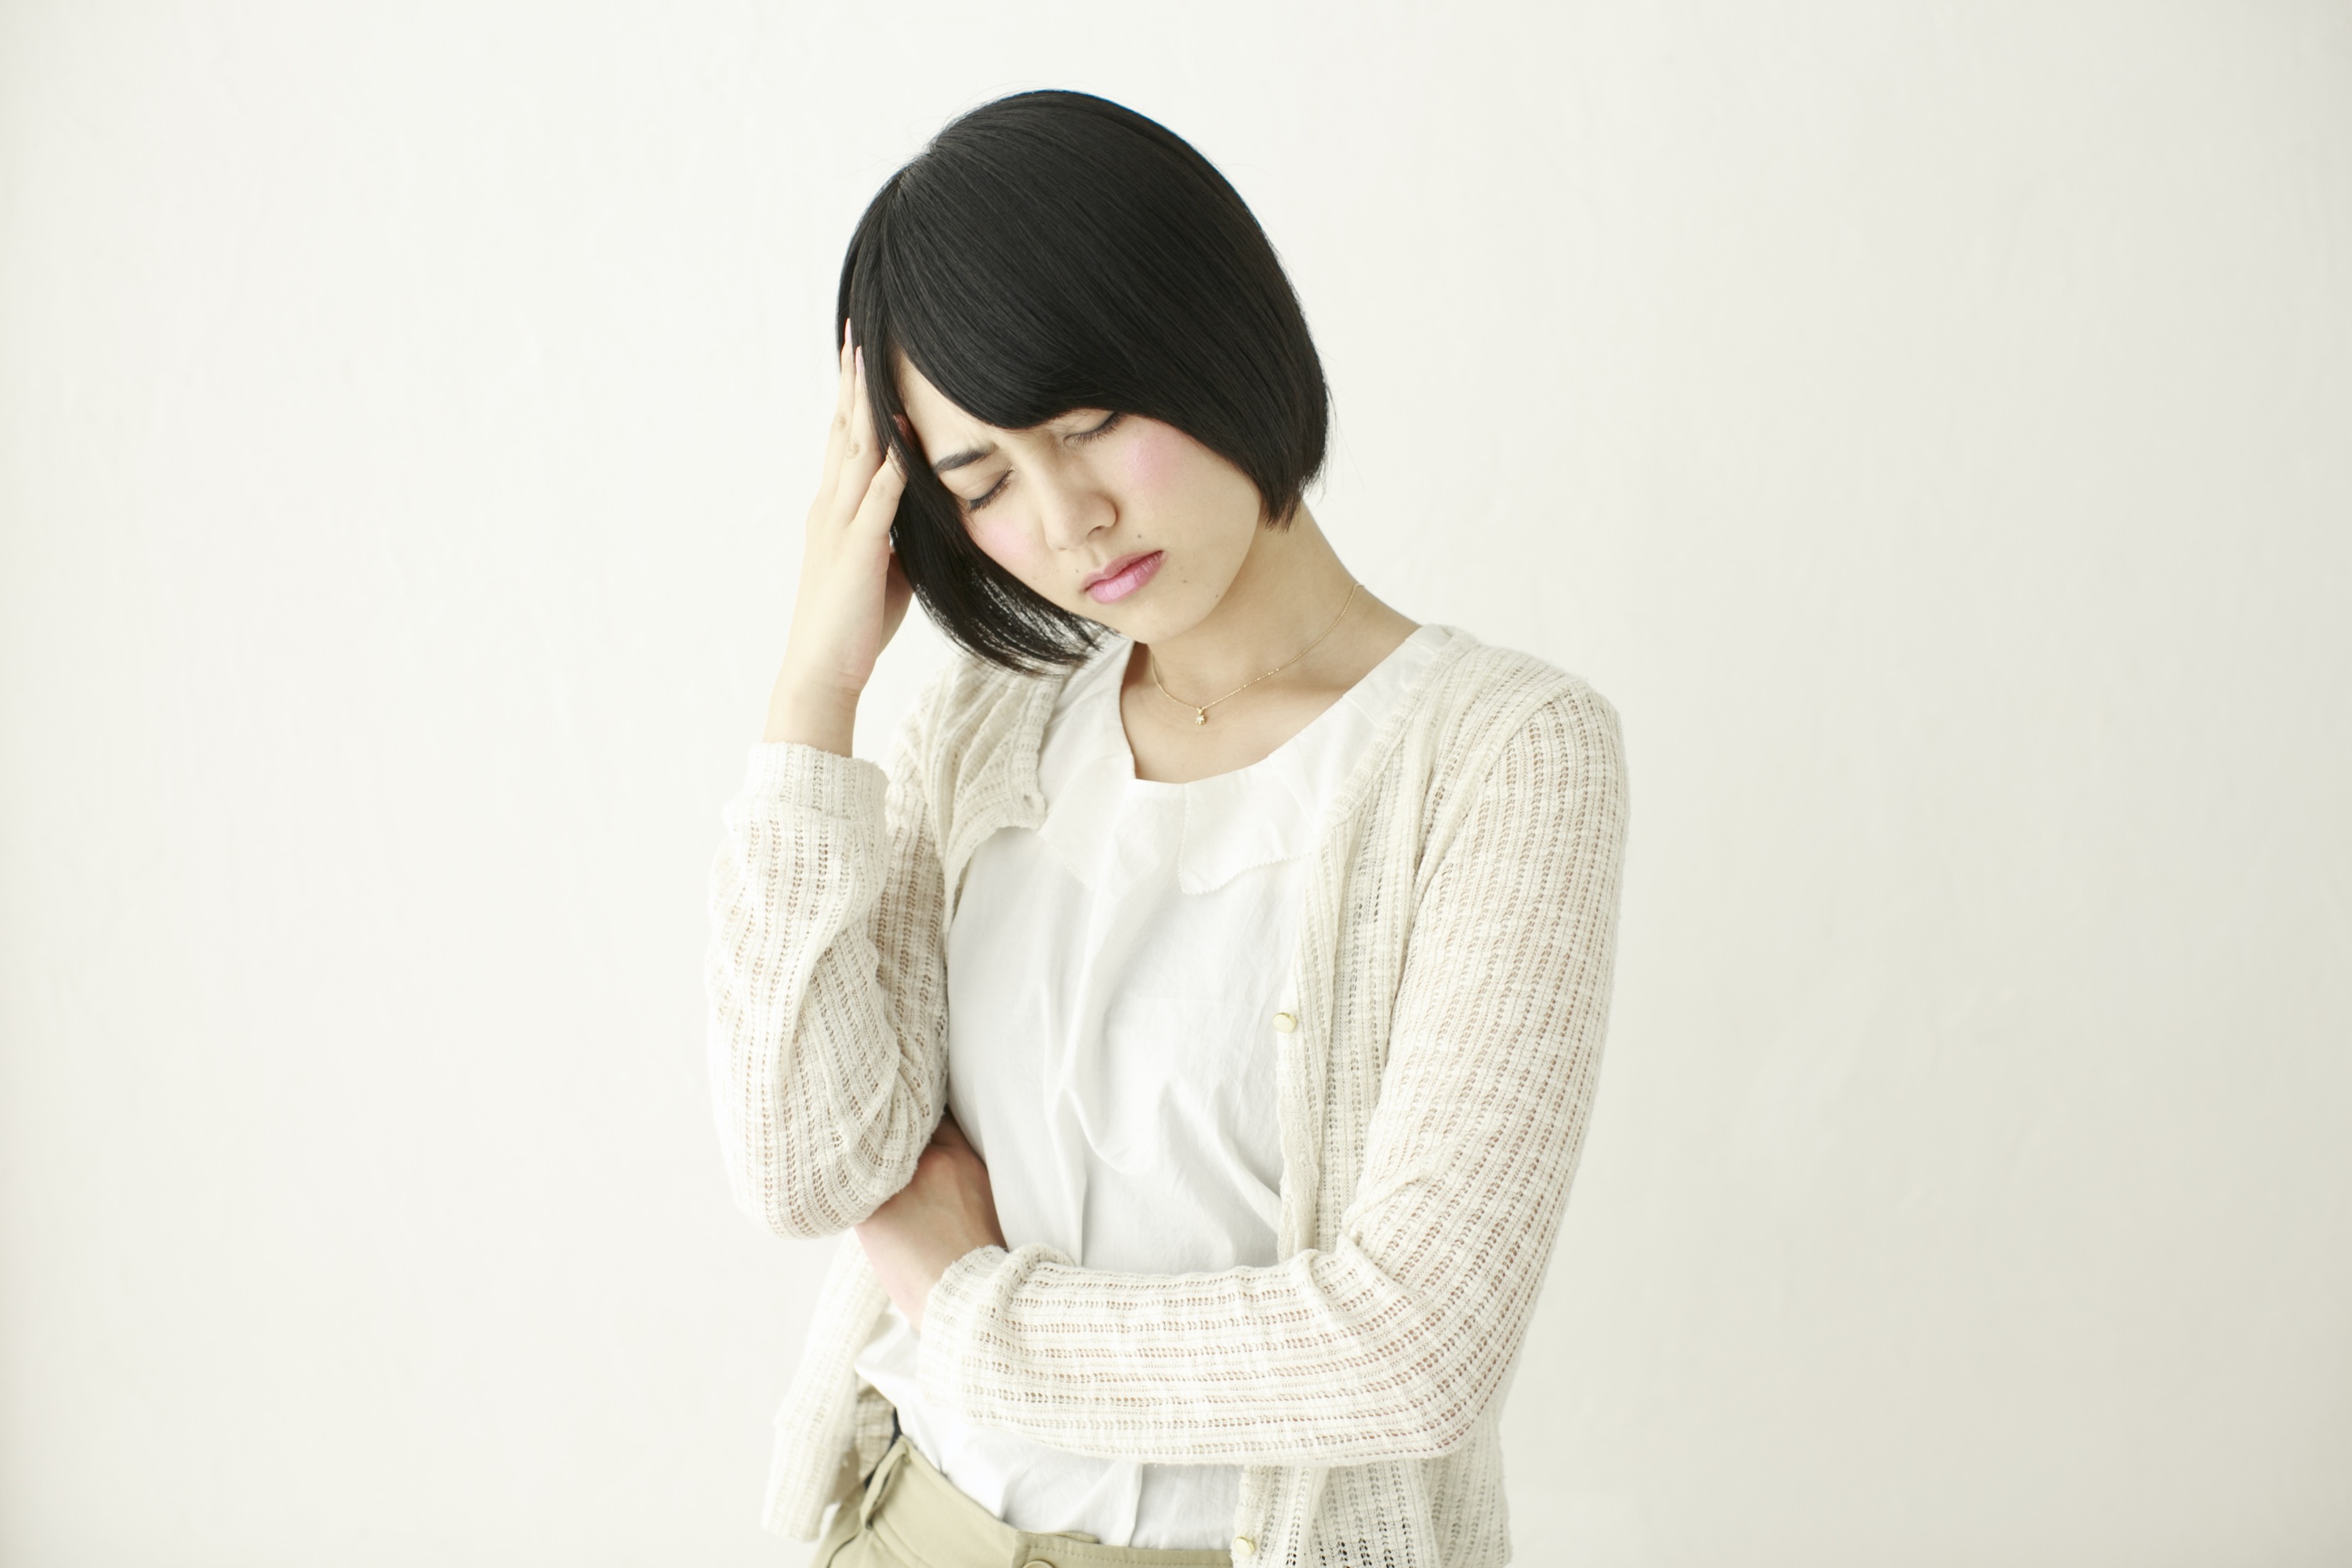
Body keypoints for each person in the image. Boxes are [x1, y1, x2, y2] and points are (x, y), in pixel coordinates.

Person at [706, 89, 1628, 1568]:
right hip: (907, 1531)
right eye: (982, 480)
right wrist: (815, 694)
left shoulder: (1501, 757)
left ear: (1211, 330)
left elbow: (1414, 1351)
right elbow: (810, 1169)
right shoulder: (989, 723)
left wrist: (971, 1313)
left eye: (1088, 425)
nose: (1066, 517)